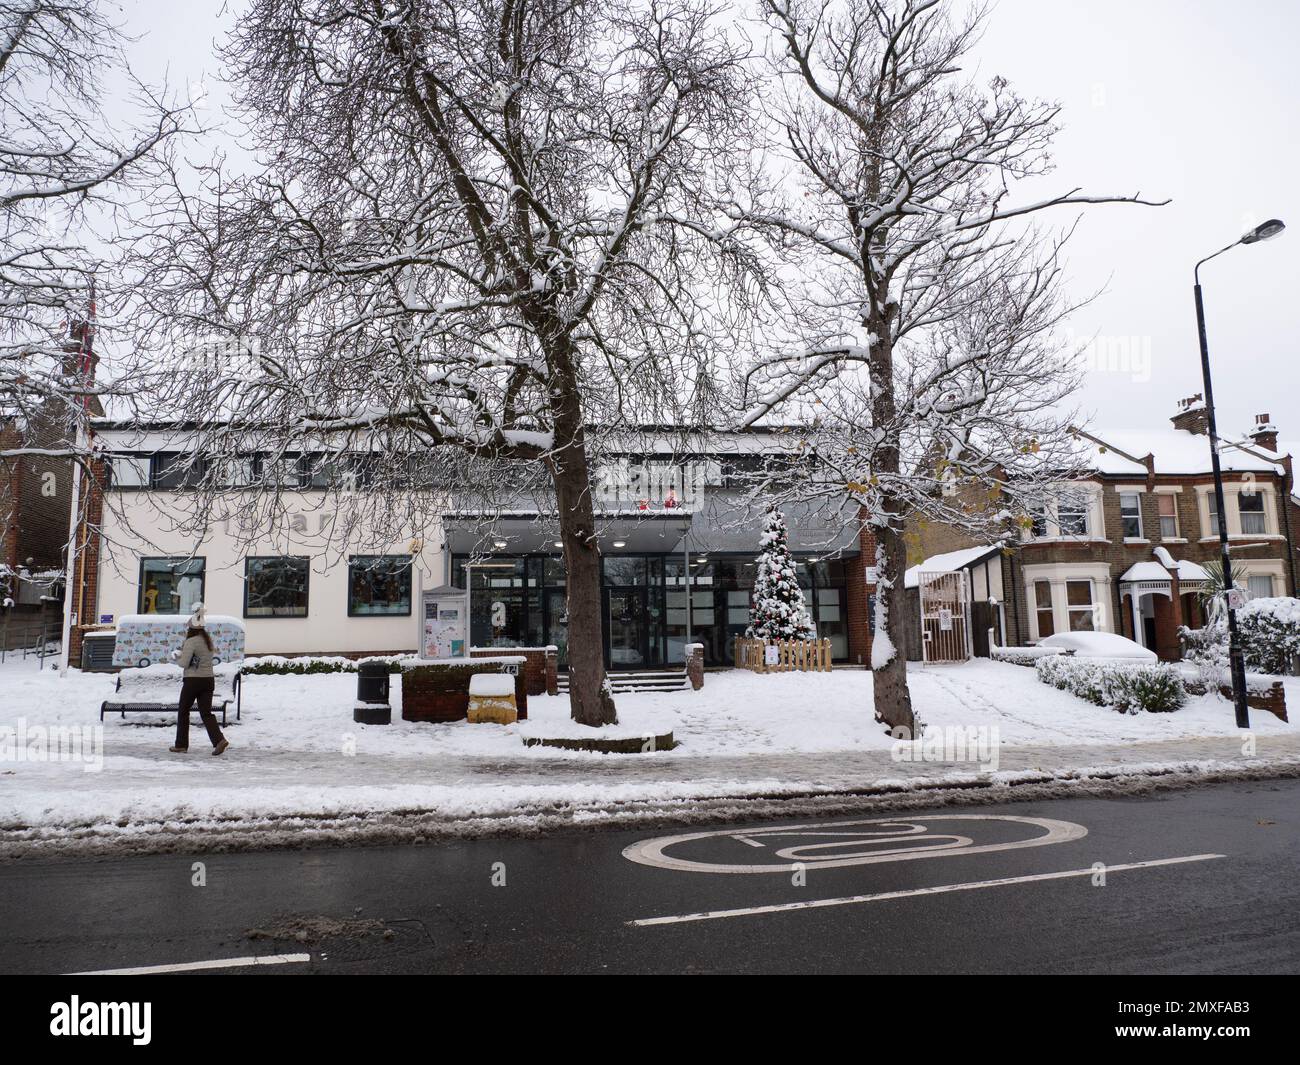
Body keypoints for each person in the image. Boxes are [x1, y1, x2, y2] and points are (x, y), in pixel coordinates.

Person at [169, 604, 229, 755]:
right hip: (208, 680)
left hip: (193, 681)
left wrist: (177, 656)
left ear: (191, 629)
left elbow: (184, 663)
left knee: (183, 711)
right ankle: (219, 740)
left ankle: (181, 744)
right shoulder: (208, 641)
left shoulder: (191, 642)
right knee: (206, 713)